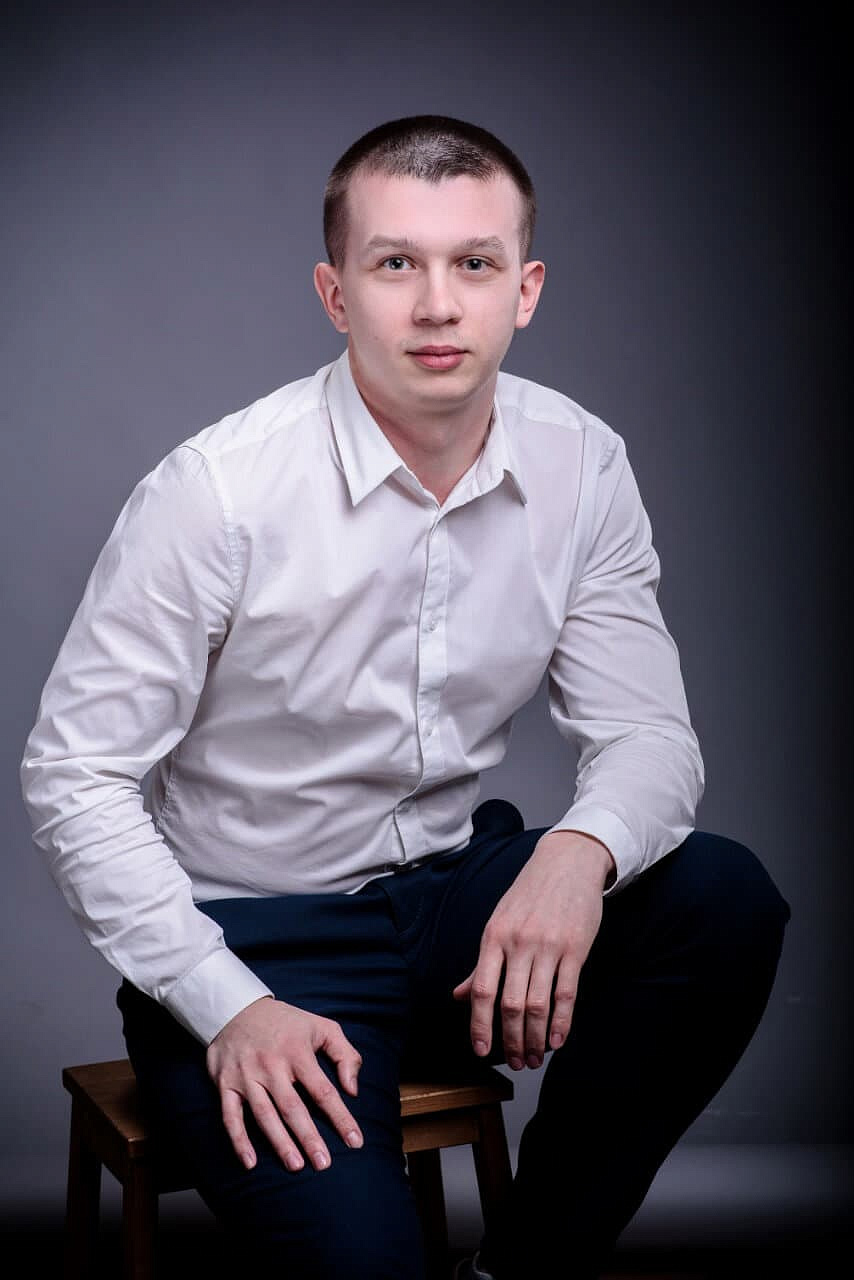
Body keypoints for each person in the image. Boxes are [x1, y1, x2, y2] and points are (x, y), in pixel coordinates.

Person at [20, 115, 790, 1279]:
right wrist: (225, 1002)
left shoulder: (581, 462)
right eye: (395, 263)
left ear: (524, 289)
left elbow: (645, 733)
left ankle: (522, 1265)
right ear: (336, 294)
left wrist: (574, 855)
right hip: (259, 944)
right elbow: (74, 776)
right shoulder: (216, 491)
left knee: (718, 897)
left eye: (473, 262)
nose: (437, 304)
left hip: (445, 908)